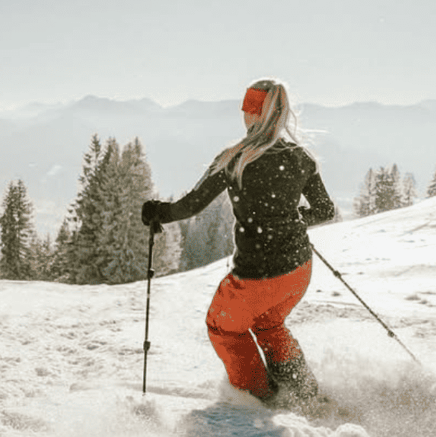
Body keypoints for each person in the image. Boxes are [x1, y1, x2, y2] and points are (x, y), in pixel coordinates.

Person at [141, 79, 336, 401]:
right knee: (270, 324)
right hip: (297, 270)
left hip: (258, 274)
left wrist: (156, 212)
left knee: (223, 326)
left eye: (246, 108)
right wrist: (291, 220)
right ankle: (304, 393)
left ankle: (258, 397)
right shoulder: (301, 157)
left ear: (251, 112)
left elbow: (190, 206)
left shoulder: (236, 157)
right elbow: (325, 210)